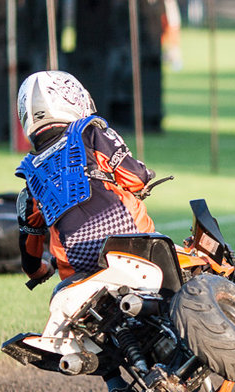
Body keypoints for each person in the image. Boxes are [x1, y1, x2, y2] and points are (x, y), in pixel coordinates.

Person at [15, 71, 156, 286]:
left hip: (75, 262)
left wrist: (41, 271)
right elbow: (136, 179)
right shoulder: (90, 132)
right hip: (131, 237)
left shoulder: (30, 174)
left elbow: (31, 262)